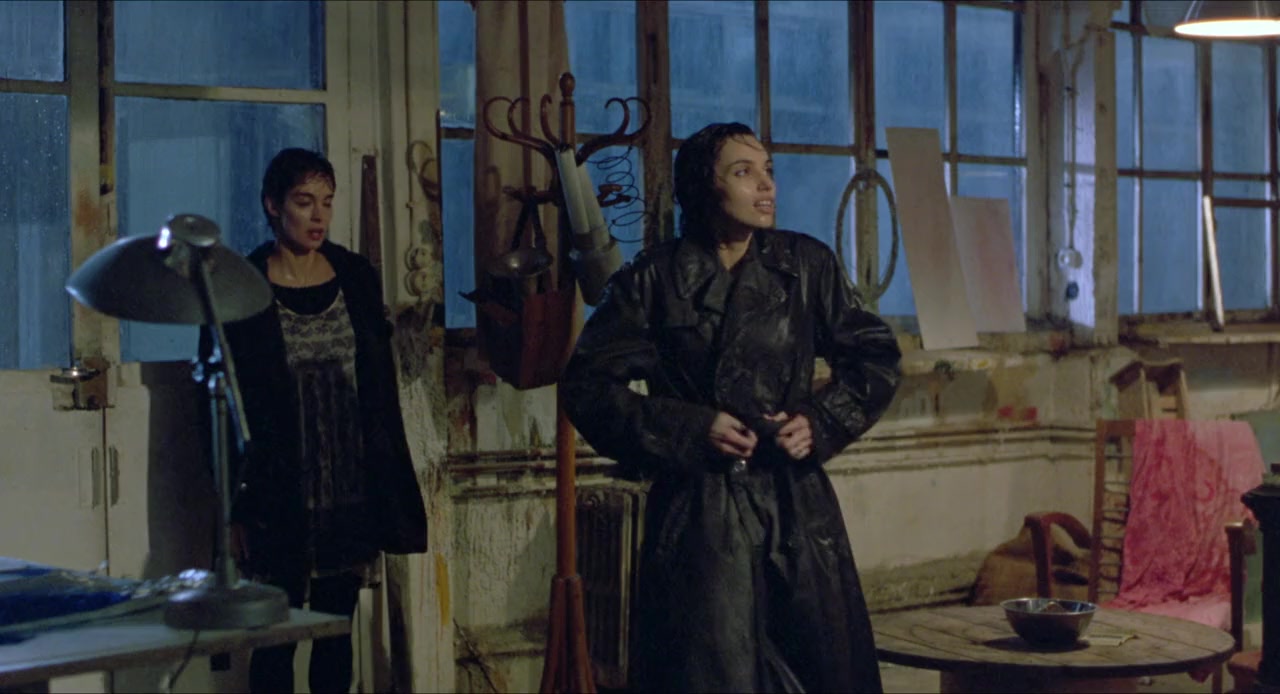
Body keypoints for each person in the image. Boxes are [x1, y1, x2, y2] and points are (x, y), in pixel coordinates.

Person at [560, 122, 902, 693]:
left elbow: (875, 357)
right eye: (744, 172)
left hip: (795, 507)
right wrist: (690, 428)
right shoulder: (654, 279)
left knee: (820, 670)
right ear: (704, 187)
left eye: (768, 171)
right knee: (711, 671)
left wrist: (820, 421)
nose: (766, 186)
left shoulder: (805, 265)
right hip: (700, 511)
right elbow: (587, 386)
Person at [218, 147, 428, 694]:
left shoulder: (354, 276)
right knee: (275, 640)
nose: (318, 216)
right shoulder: (243, 284)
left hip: (348, 486)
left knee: (336, 636)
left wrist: (388, 480)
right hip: (279, 490)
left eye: (327, 202)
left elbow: (379, 389)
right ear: (273, 205)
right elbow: (223, 403)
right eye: (304, 201)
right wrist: (234, 505)